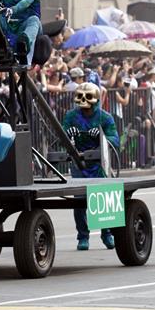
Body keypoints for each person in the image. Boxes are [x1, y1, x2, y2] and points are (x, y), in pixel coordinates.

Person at [62, 81, 120, 251]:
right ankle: (83, 236)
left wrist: (101, 137)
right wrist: (68, 135)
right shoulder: (71, 116)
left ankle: (107, 233)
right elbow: (62, 138)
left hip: (99, 163)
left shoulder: (105, 117)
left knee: (103, 198)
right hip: (79, 162)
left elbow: (115, 140)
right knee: (79, 200)